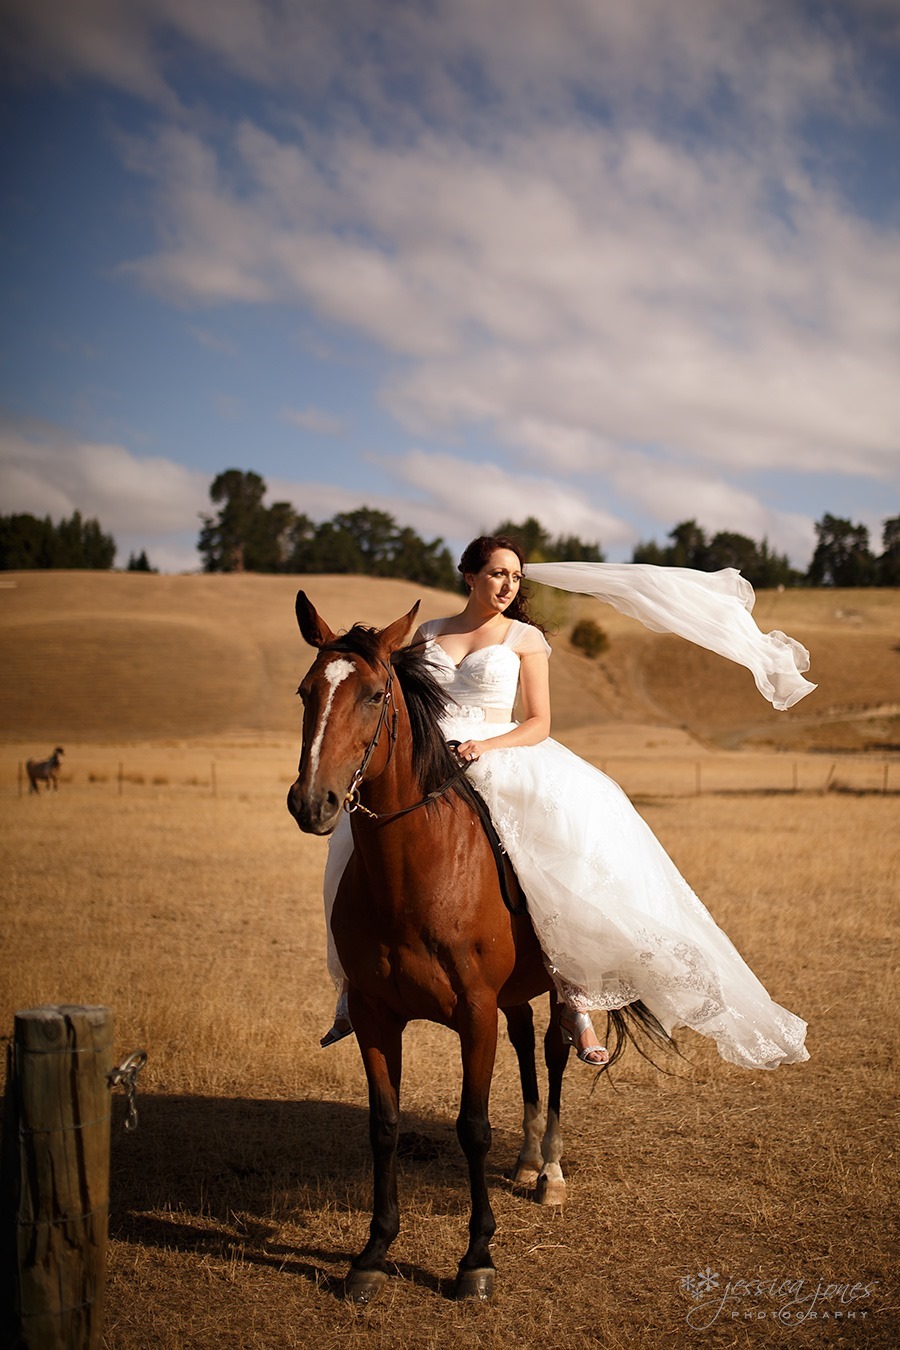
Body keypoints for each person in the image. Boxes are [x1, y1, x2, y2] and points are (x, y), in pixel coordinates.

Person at [319, 535, 811, 1070]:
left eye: (514, 576)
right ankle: (355, 985)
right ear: (470, 576)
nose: (507, 585)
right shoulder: (429, 633)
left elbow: (539, 722)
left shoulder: (526, 638)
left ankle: (573, 993)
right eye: (497, 574)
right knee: (361, 834)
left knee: (553, 854)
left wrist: (485, 746)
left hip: (497, 750)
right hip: (431, 759)